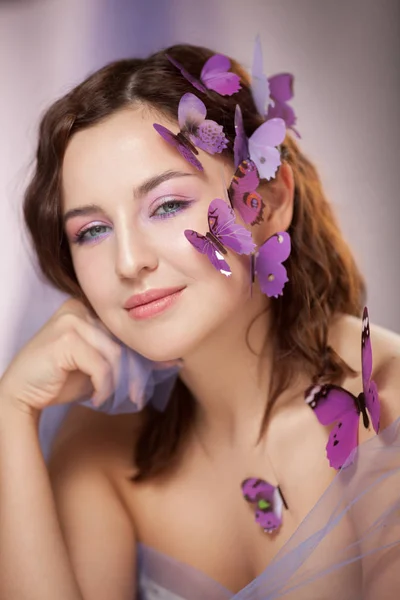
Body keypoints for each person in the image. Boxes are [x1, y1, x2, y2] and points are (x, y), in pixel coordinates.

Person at [0, 43, 399, 600]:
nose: (128, 262)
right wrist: (11, 411)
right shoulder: (103, 446)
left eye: (165, 205)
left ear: (268, 201)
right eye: (91, 231)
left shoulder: (385, 411)